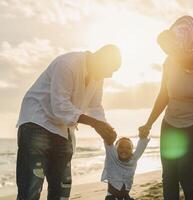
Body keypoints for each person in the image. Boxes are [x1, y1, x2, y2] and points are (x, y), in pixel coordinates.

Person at [16, 44, 121, 200]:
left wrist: (105, 128)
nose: (110, 75)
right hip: (37, 122)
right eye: (110, 69)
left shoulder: (98, 76)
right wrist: (96, 124)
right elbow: (60, 106)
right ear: (100, 59)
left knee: (61, 191)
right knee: (30, 190)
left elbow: (95, 107)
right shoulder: (67, 64)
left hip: (63, 130)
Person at [139, 16, 193, 200]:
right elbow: (164, 95)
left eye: (172, 49)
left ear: (185, 43)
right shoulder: (169, 63)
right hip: (170, 125)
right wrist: (149, 123)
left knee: (184, 173)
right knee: (168, 175)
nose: (170, 54)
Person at [101, 134, 150, 200]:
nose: (124, 149)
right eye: (121, 147)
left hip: (126, 197)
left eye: (128, 148)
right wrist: (107, 135)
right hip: (112, 198)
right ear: (115, 149)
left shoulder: (133, 160)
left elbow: (141, 146)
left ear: (132, 151)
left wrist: (144, 135)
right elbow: (108, 142)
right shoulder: (112, 159)